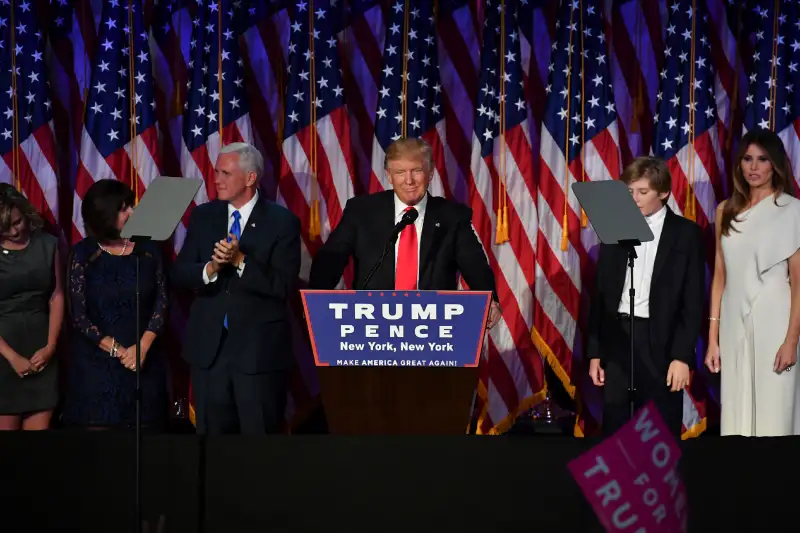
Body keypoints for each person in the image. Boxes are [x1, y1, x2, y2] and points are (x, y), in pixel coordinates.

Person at [172, 142, 301, 435]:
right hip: (209, 352)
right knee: (212, 445)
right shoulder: (204, 216)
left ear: (250, 178)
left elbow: (281, 286)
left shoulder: (282, 222)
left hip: (257, 353)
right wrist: (210, 269)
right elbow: (180, 273)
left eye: (225, 173)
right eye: (216, 172)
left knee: (258, 446)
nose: (216, 179)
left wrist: (241, 261)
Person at [309, 137, 502, 328]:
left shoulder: (452, 217)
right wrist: (316, 298)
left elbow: (474, 265)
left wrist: (490, 298)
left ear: (431, 172)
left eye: (416, 171)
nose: (409, 180)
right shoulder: (362, 211)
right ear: (389, 175)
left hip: (432, 328)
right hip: (372, 327)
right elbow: (331, 260)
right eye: (400, 172)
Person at [586, 156, 705, 438]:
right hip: (619, 337)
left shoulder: (685, 234)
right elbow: (600, 295)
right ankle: (618, 480)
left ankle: (659, 483)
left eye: (643, 192)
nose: (635, 199)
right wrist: (595, 352)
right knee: (617, 423)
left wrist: (681, 357)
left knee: (658, 425)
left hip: (660, 342)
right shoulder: (615, 227)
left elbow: (692, 300)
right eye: (629, 192)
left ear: (663, 192)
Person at [705, 128, 800, 437]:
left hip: (776, 318)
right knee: (737, 408)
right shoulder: (725, 211)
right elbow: (720, 276)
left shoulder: (793, 210)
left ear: (775, 165)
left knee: (775, 408)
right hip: (733, 320)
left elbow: (798, 283)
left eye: (762, 159)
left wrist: (791, 340)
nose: (754, 167)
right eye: (747, 159)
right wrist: (712, 338)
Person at [62, 179, 169, 429]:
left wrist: (142, 347)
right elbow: (79, 316)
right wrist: (120, 352)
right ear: (104, 215)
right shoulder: (83, 255)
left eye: (130, 205)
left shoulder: (148, 249)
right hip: (97, 367)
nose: (132, 212)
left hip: (144, 361)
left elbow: (162, 301)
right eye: (123, 208)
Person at [0, 184, 63, 430]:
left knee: (37, 448)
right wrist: (12, 357)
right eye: (5, 228)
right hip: (4, 352)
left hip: (41, 347)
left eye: (17, 222)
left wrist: (50, 346)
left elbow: (56, 295)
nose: (15, 231)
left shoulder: (48, 244)